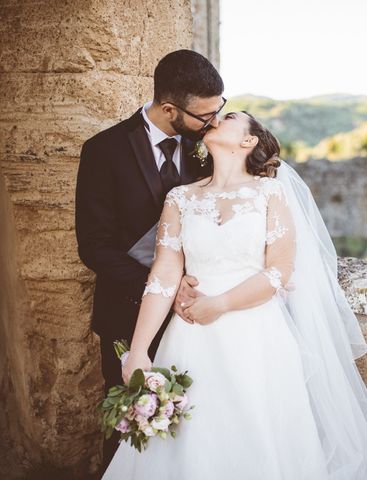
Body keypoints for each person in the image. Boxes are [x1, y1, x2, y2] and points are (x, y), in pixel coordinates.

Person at [101, 110, 367, 479]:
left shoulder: (270, 192)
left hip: (256, 338)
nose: (217, 117)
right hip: (190, 340)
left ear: (248, 140)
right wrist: (138, 352)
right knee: (188, 444)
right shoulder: (180, 198)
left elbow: (279, 269)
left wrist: (217, 305)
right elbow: (164, 274)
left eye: (230, 115)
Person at [75, 49, 223, 473]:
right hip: (128, 312)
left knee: (195, 423)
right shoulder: (104, 151)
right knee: (131, 427)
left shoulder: (210, 146)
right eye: (204, 115)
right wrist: (162, 287)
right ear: (169, 108)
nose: (213, 122)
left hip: (199, 315)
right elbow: (94, 246)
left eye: (219, 111)